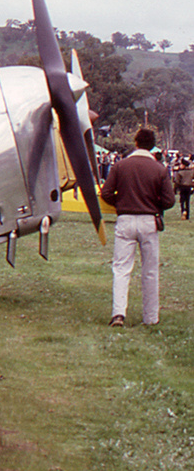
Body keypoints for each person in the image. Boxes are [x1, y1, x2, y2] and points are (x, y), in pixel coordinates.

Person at [100, 128, 176, 326]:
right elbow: (169, 200)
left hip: (125, 219)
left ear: (135, 142)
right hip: (149, 220)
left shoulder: (120, 165)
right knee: (150, 271)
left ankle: (118, 313)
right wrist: (154, 204)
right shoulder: (159, 169)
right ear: (153, 145)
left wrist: (120, 202)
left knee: (121, 269)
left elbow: (106, 193)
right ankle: (151, 318)